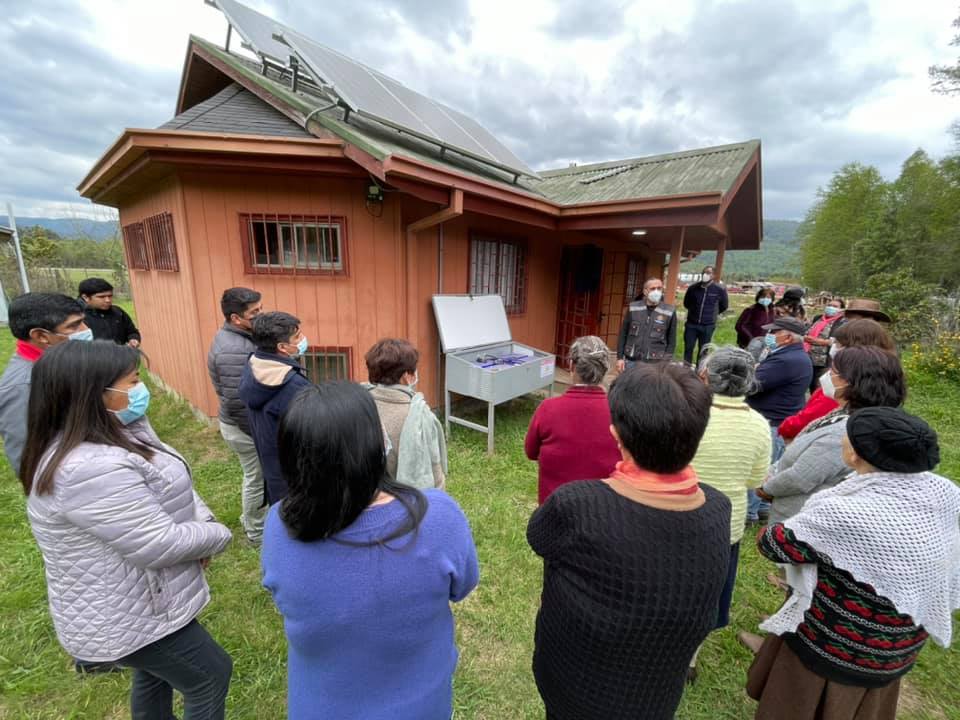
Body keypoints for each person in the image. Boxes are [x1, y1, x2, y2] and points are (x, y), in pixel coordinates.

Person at [20, 341, 233, 717]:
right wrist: (217, 535)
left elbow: (169, 483)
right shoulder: (87, 468)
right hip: (128, 607)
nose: (139, 390)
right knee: (209, 675)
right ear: (93, 395)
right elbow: (157, 543)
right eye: (132, 381)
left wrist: (202, 522)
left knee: (157, 675)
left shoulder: (117, 432)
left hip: (145, 598)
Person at [261, 382, 479, 720]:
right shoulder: (437, 516)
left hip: (319, 707)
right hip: (421, 707)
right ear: (373, 443)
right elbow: (464, 585)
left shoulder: (279, 525)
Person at [527, 363, 732, 720]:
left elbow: (538, 537)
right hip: (658, 688)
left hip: (575, 685)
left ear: (617, 436)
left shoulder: (578, 504)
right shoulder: (717, 507)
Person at [747, 407, 960, 720]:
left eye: (847, 438)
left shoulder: (847, 513)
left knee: (797, 708)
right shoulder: (946, 494)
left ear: (859, 455)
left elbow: (774, 544)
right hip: (896, 643)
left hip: (834, 645)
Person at [688, 346, 771, 682]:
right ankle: (690, 659)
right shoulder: (759, 425)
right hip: (728, 525)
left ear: (705, 376)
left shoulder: (689, 414)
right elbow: (755, 480)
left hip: (680, 513)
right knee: (709, 592)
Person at [755, 346, 906, 526]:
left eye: (833, 371)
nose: (826, 375)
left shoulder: (846, 431)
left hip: (805, 522)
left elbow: (801, 477)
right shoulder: (843, 412)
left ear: (850, 382)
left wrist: (766, 488)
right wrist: (771, 472)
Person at [0, 293, 89, 478]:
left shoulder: (63, 362)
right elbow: (31, 462)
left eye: (83, 322)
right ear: (41, 336)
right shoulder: (24, 387)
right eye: (74, 325)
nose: (85, 329)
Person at [525, 336, 621, 504]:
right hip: (604, 513)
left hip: (555, 513)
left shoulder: (548, 409)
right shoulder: (620, 413)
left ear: (571, 366)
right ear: (606, 369)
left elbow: (531, 452)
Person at [208, 287, 266, 544]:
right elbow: (237, 402)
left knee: (256, 476)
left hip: (244, 423)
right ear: (236, 318)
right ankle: (256, 531)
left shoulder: (242, 337)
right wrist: (260, 433)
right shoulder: (233, 350)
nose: (260, 316)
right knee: (257, 479)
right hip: (244, 428)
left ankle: (252, 520)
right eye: (254, 313)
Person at [238, 311, 313, 505]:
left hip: (272, 468)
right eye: (297, 337)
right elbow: (309, 434)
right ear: (282, 347)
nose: (302, 339)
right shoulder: (292, 386)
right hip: (294, 475)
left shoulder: (254, 365)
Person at [779, 319, 896, 441]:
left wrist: (784, 427)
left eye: (838, 344)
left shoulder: (843, 385)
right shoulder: (883, 373)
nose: (833, 347)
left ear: (853, 347)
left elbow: (811, 416)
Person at [745, 317, 813, 523]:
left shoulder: (785, 360)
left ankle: (748, 512)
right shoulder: (793, 355)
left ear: (788, 337)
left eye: (774, 332)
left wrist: (748, 372)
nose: (769, 336)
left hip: (772, 420)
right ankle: (763, 508)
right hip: (780, 419)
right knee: (772, 467)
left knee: (759, 469)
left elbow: (752, 385)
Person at [364, 338, 447, 489]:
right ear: (406, 376)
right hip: (405, 502)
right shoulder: (421, 416)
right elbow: (435, 476)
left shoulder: (358, 404)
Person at [615, 277, 677, 369]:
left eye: (659, 288)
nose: (656, 291)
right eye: (652, 288)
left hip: (655, 363)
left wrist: (666, 362)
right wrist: (620, 358)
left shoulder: (669, 311)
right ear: (645, 291)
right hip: (631, 360)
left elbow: (671, 341)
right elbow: (623, 333)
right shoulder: (633, 307)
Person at [682, 265, 729, 366]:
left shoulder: (719, 289)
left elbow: (724, 306)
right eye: (704, 272)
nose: (705, 275)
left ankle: (699, 371)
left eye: (708, 273)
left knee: (703, 351)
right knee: (688, 348)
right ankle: (685, 370)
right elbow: (686, 303)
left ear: (714, 275)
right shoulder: (693, 288)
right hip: (691, 324)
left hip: (708, 326)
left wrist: (713, 314)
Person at [78, 278, 141, 346]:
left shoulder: (118, 312)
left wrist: (134, 339)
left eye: (110, 296)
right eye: (101, 297)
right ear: (86, 297)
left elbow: (132, 332)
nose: (108, 300)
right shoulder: (76, 319)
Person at [803, 298, 845, 392]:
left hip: (824, 361)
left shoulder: (842, 322)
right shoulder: (818, 318)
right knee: (806, 384)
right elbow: (807, 330)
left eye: (835, 306)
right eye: (829, 305)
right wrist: (806, 337)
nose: (831, 308)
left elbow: (838, 341)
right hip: (808, 357)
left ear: (841, 309)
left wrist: (818, 341)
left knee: (818, 388)